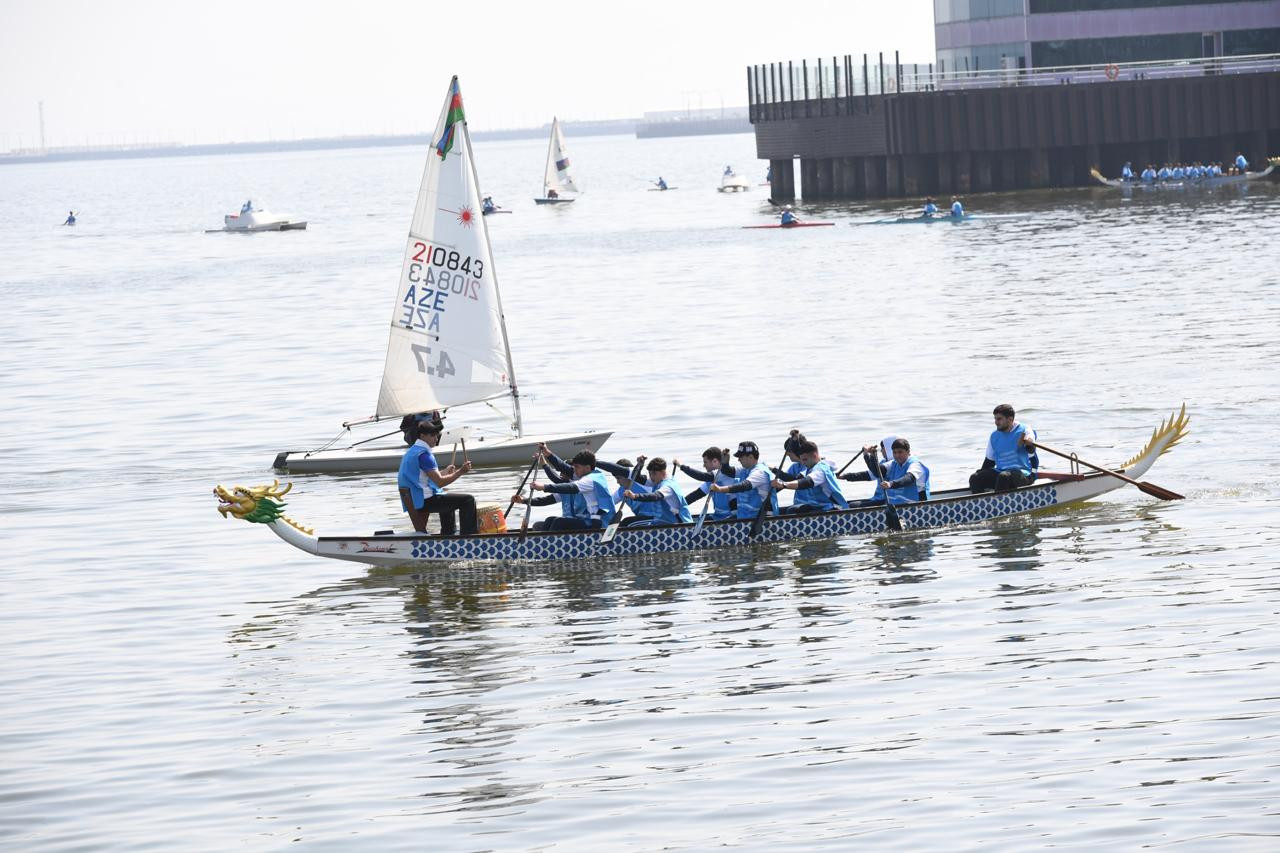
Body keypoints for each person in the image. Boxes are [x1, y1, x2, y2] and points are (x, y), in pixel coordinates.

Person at [397, 420, 477, 535]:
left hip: (415, 498)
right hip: (423, 501)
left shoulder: (413, 451)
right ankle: (468, 536)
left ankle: (448, 534)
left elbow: (423, 477)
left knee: (445, 498)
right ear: (422, 436)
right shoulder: (424, 455)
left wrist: (444, 472)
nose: (436, 438)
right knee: (468, 500)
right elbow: (439, 483)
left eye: (437, 435)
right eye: (432, 435)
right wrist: (460, 472)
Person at [519, 450, 615, 530]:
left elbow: (568, 485)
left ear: (587, 468)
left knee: (559, 522)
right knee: (550, 520)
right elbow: (548, 499)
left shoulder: (589, 480)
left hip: (599, 523)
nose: (574, 470)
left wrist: (544, 487)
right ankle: (544, 541)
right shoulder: (581, 478)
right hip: (587, 520)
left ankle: (550, 544)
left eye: (576, 467)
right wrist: (524, 500)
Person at [969, 403, 1038, 493]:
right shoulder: (994, 436)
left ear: (1010, 419)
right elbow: (989, 462)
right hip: (1001, 472)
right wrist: (980, 475)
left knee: (1004, 477)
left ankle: (999, 501)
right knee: (975, 478)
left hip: (1023, 474)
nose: (996, 422)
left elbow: (1031, 450)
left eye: (999, 419)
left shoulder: (1025, 430)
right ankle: (980, 500)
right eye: (995, 418)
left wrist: (1029, 443)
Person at [773, 438, 849, 513]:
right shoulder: (808, 467)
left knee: (792, 510)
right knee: (782, 510)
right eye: (801, 460)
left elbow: (807, 482)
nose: (803, 463)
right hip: (815, 506)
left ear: (815, 455)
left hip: (832, 508)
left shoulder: (821, 470)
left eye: (805, 460)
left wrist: (784, 484)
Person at [710, 441, 778, 519]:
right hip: (747, 518)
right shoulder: (745, 469)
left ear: (751, 457)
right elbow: (728, 471)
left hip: (763, 519)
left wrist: (720, 489)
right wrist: (725, 462)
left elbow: (744, 486)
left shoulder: (759, 472)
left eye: (741, 457)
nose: (738, 460)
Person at [622, 458, 692, 525]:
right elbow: (636, 478)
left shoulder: (667, 487)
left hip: (678, 526)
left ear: (660, 472)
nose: (651, 477)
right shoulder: (657, 482)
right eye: (649, 474)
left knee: (628, 524)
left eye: (652, 474)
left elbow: (655, 496)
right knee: (627, 522)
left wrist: (634, 496)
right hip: (662, 524)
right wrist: (640, 465)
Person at [678, 447, 737, 521]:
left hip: (732, 518)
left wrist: (681, 466)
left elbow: (701, 476)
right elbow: (695, 495)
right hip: (717, 517)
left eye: (705, 462)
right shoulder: (711, 480)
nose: (704, 465)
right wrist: (678, 506)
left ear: (715, 461)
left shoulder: (723, 474)